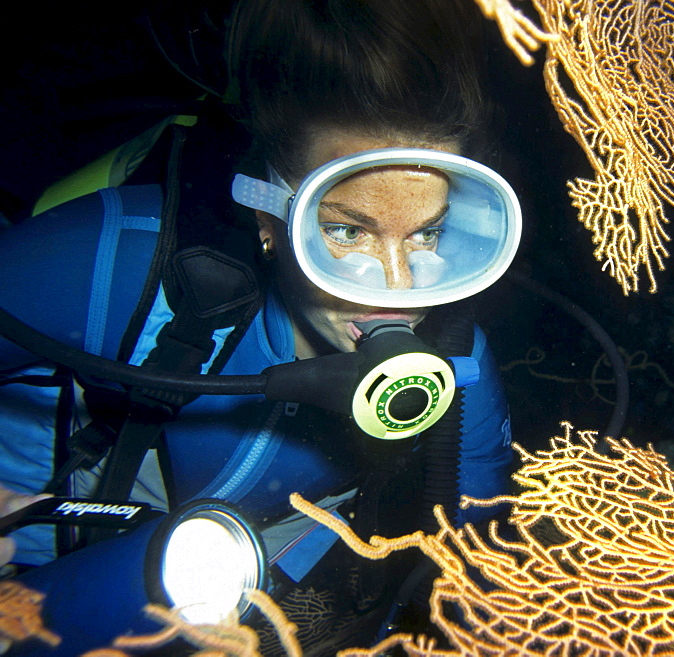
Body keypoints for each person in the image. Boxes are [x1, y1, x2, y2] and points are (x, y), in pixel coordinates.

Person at [0, 0, 516, 653]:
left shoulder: (458, 368)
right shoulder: (114, 262)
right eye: (348, 230)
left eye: (426, 233)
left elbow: (478, 580)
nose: (398, 287)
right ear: (269, 219)